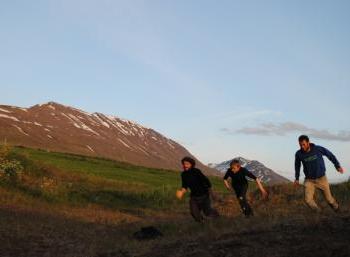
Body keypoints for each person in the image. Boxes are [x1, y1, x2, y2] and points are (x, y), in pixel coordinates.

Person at [294, 135, 345, 212]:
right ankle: (319, 212)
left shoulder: (317, 149)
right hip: (309, 180)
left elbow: (330, 155)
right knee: (308, 200)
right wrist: (297, 178)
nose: (302, 146)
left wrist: (337, 166)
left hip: (321, 179)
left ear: (308, 143)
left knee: (329, 199)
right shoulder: (299, 154)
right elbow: (297, 166)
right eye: (300, 145)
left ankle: (336, 208)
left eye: (303, 144)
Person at [176, 157, 219, 222]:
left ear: (191, 164)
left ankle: (216, 215)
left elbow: (206, 181)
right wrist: (181, 192)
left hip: (204, 195)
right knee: (194, 213)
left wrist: (212, 193)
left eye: (187, 164)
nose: (185, 165)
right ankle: (202, 223)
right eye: (184, 164)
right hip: (194, 197)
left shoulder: (196, 171)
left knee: (207, 212)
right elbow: (184, 186)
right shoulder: (183, 174)